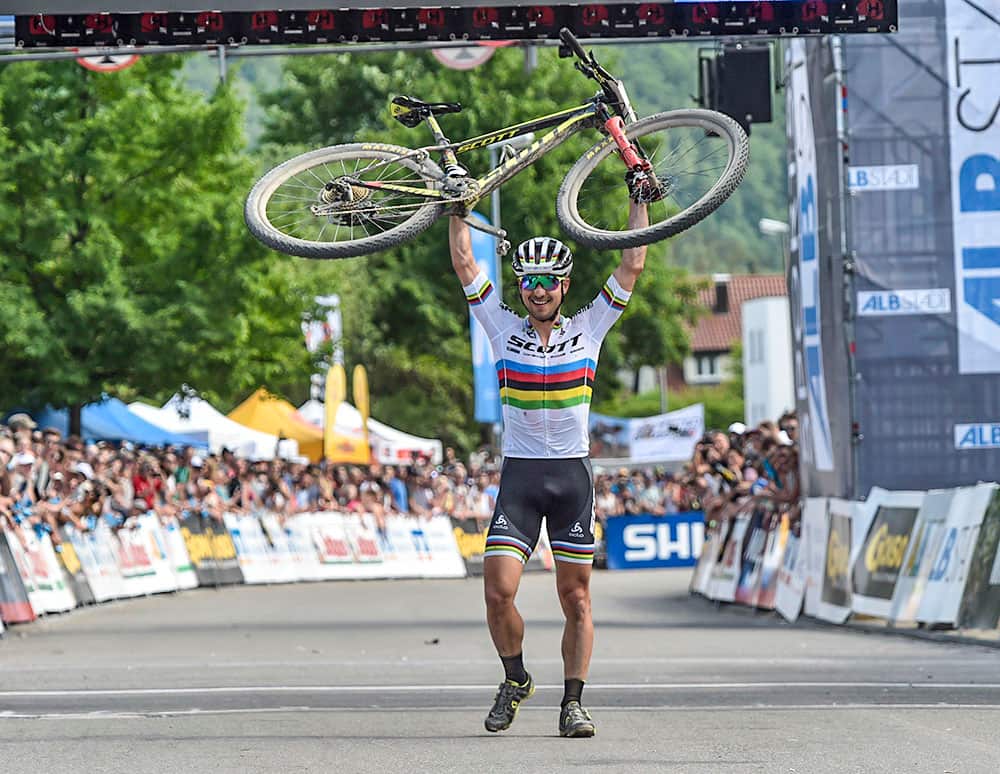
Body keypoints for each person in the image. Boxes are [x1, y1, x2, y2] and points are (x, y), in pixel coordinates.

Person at [449, 202, 647, 738]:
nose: (539, 290)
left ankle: (573, 703)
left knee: (576, 597)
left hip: (571, 479)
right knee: (497, 592)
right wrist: (458, 209)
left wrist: (638, 198)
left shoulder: (589, 329)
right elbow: (465, 261)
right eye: (530, 280)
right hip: (520, 478)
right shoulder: (500, 326)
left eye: (549, 281)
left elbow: (631, 264)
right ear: (521, 287)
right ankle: (515, 679)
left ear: (564, 284)